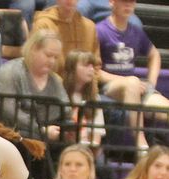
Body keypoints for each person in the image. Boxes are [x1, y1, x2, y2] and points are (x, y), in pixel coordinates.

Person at [0, 29, 70, 179]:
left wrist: (67, 128)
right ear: (33, 49)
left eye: (55, 57)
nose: (52, 61)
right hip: (10, 136)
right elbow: (8, 111)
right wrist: (40, 130)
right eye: (48, 55)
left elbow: (66, 110)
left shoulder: (54, 80)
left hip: (47, 139)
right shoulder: (10, 72)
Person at [96, 0, 169, 150]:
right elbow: (96, 72)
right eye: (124, 2)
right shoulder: (100, 30)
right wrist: (127, 80)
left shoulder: (136, 31)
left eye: (131, 2)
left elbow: (154, 54)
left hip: (137, 87)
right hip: (109, 88)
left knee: (166, 109)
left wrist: (151, 84)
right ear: (112, 2)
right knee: (132, 83)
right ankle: (141, 144)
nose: (128, 5)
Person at [32, 0, 100, 77]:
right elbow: (38, 66)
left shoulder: (90, 27)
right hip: (54, 87)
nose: (69, 1)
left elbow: (95, 68)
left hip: (86, 87)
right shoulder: (43, 25)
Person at [62, 50, 105, 146]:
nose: (91, 69)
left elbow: (97, 135)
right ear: (72, 68)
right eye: (86, 65)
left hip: (88, 147)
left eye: (92, 66)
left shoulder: (95, 98)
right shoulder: (60, 93)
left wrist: (89, 148)